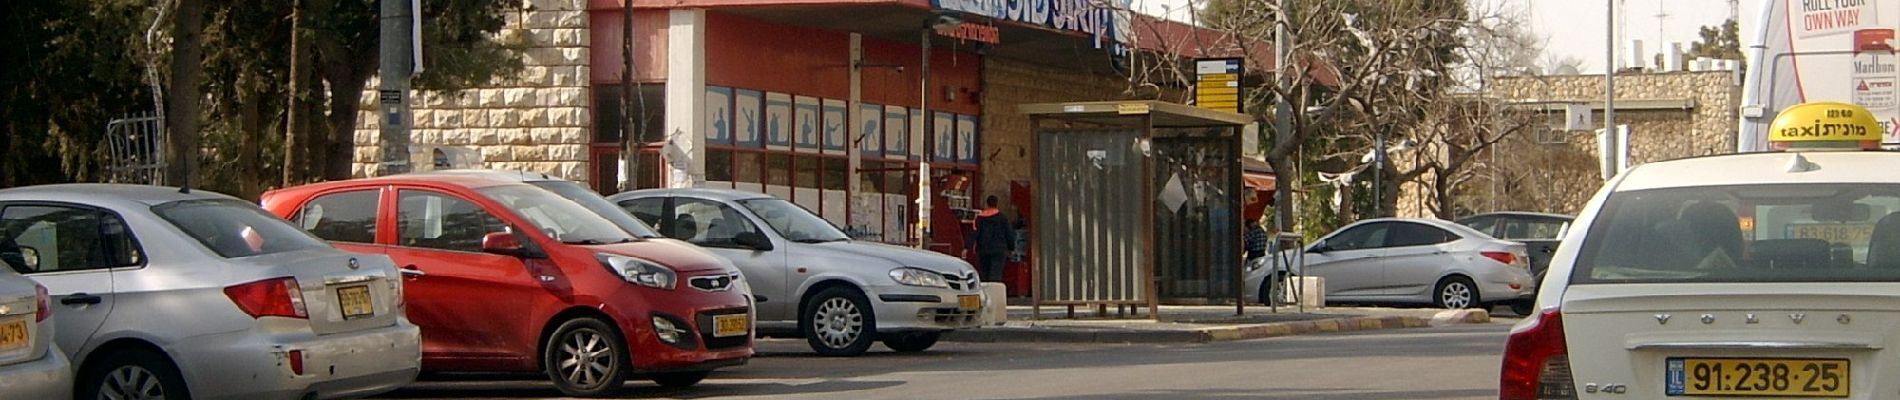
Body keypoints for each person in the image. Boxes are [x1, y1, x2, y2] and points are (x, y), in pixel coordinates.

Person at [969, 195, 1013, 282]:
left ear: (987, 204)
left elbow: (975, 233)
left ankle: (986, 292)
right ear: (997, 204)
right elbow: (1009, 233)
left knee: (985, 273)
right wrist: (1011, 247)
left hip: (983, 249)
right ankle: (994, 292)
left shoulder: (980, 218)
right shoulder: (1002, 218)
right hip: (999, 249)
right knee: (996, 273)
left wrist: (967, 247)